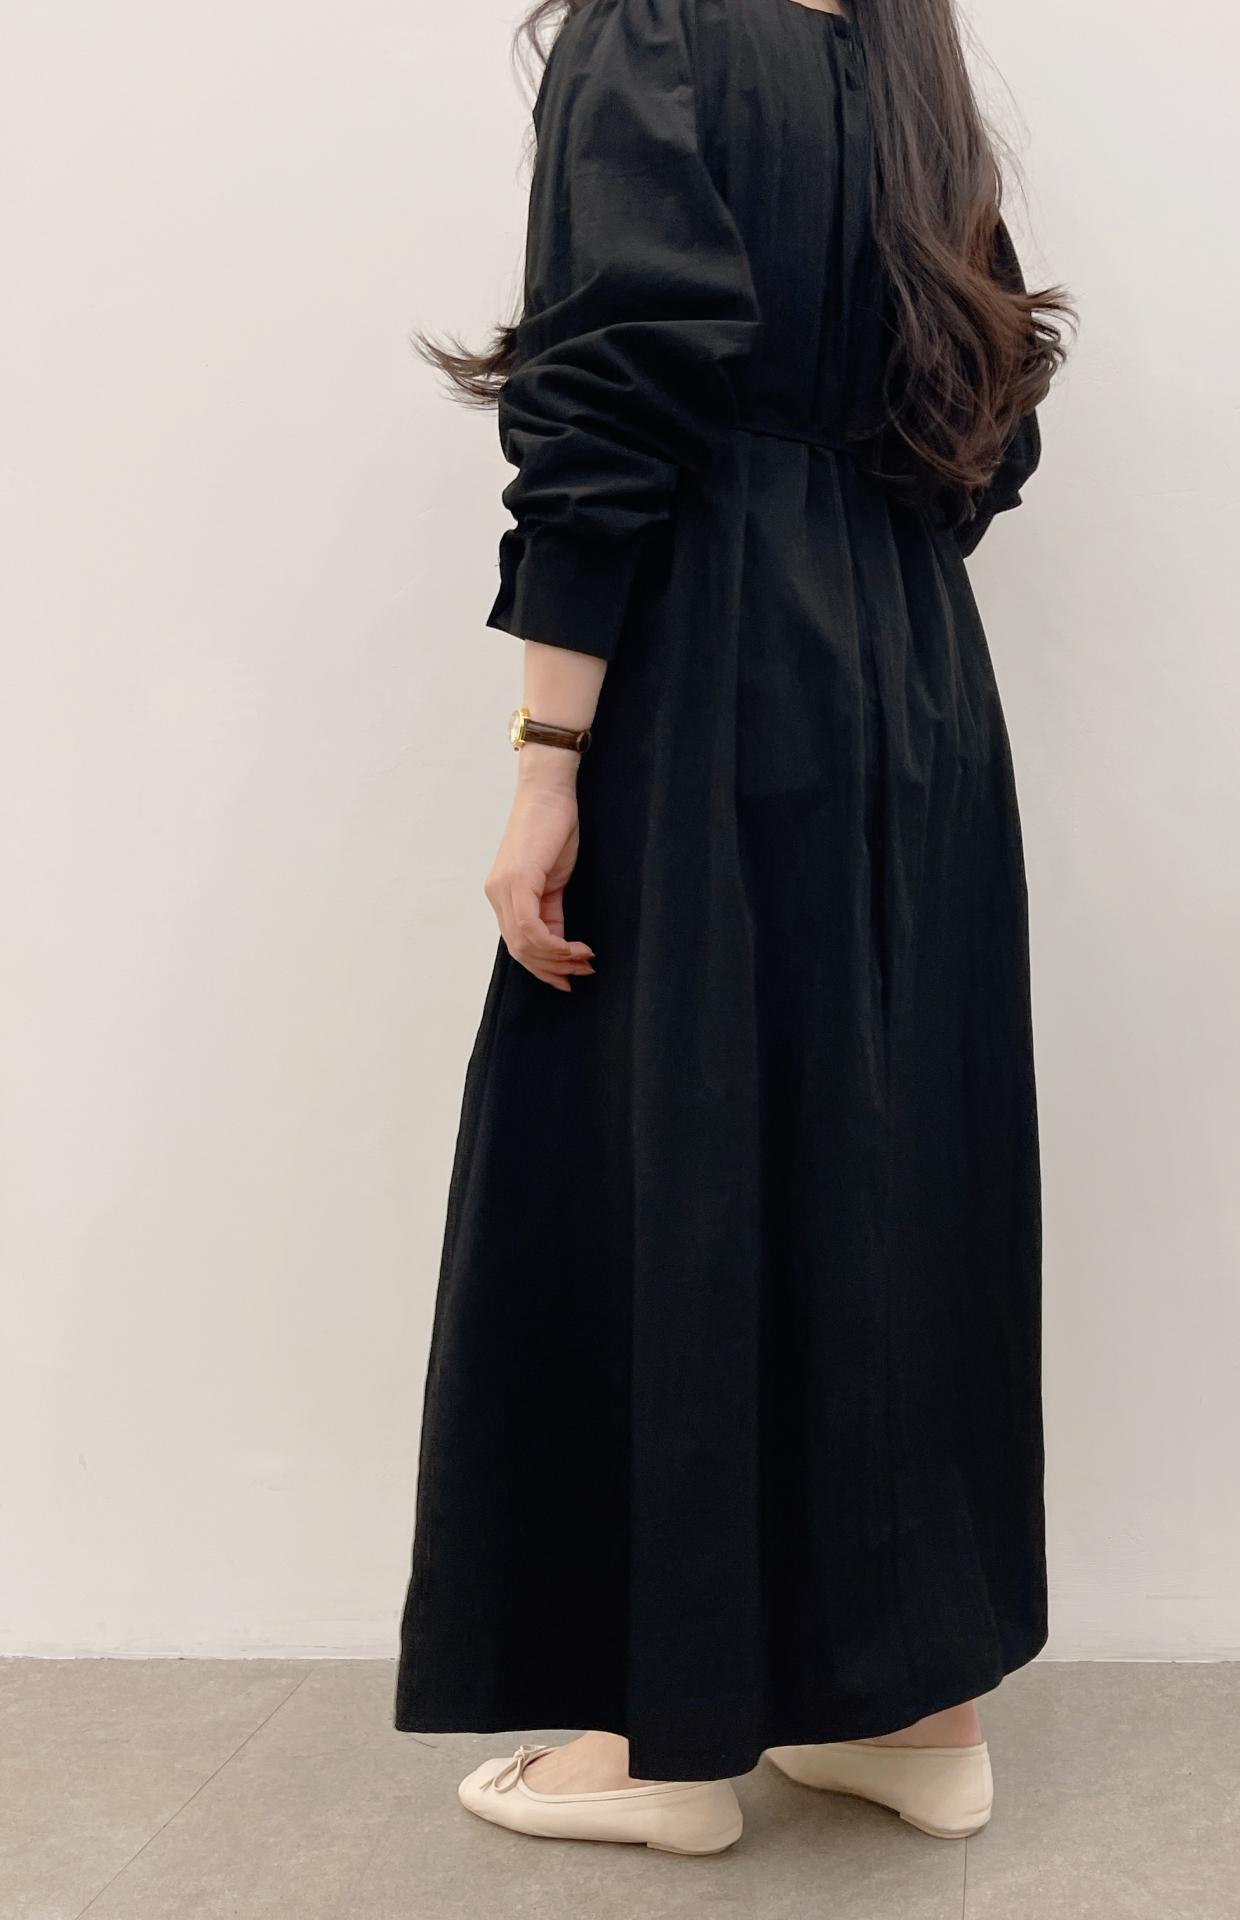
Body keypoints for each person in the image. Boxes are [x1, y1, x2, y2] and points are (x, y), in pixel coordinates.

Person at [392, 0, 1069, 1855]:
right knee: (889, 1162)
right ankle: (916, 1716)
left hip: (709, 668)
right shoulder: (909, 61)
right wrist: (856, 554)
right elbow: (992, 406)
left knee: (661, 1159)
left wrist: (548, 759)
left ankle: (667, 1745)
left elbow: (611, 393)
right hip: (916, 682)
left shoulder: (657, 31)